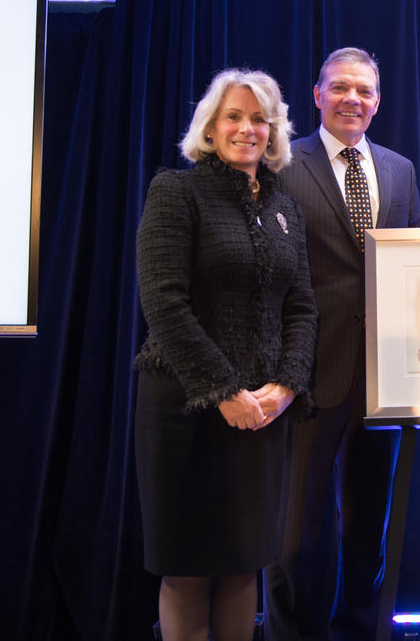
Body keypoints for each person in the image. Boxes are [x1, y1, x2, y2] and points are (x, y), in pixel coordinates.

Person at [134, 68, 318, 641]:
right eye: (233, 117)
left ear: (274, 131)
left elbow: (303, 310)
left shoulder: (285, 207)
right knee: (188, 568)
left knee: (244, 566)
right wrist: (222, 392)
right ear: (210, 128)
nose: (247, 129)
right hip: (185, 408)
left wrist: (286, 387)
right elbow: (163, 303)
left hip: (261, 412)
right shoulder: (176, 190)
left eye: (259, 119)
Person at [264, 47, 420, 641]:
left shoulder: (401, 169)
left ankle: (358, 631)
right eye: (340, 88)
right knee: (295, 533)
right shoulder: (282, 164)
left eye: (363, 90)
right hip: (304, 372)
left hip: (384, 375)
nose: (352, 98)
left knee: (368, 528)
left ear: (377, 101)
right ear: (317, 95)